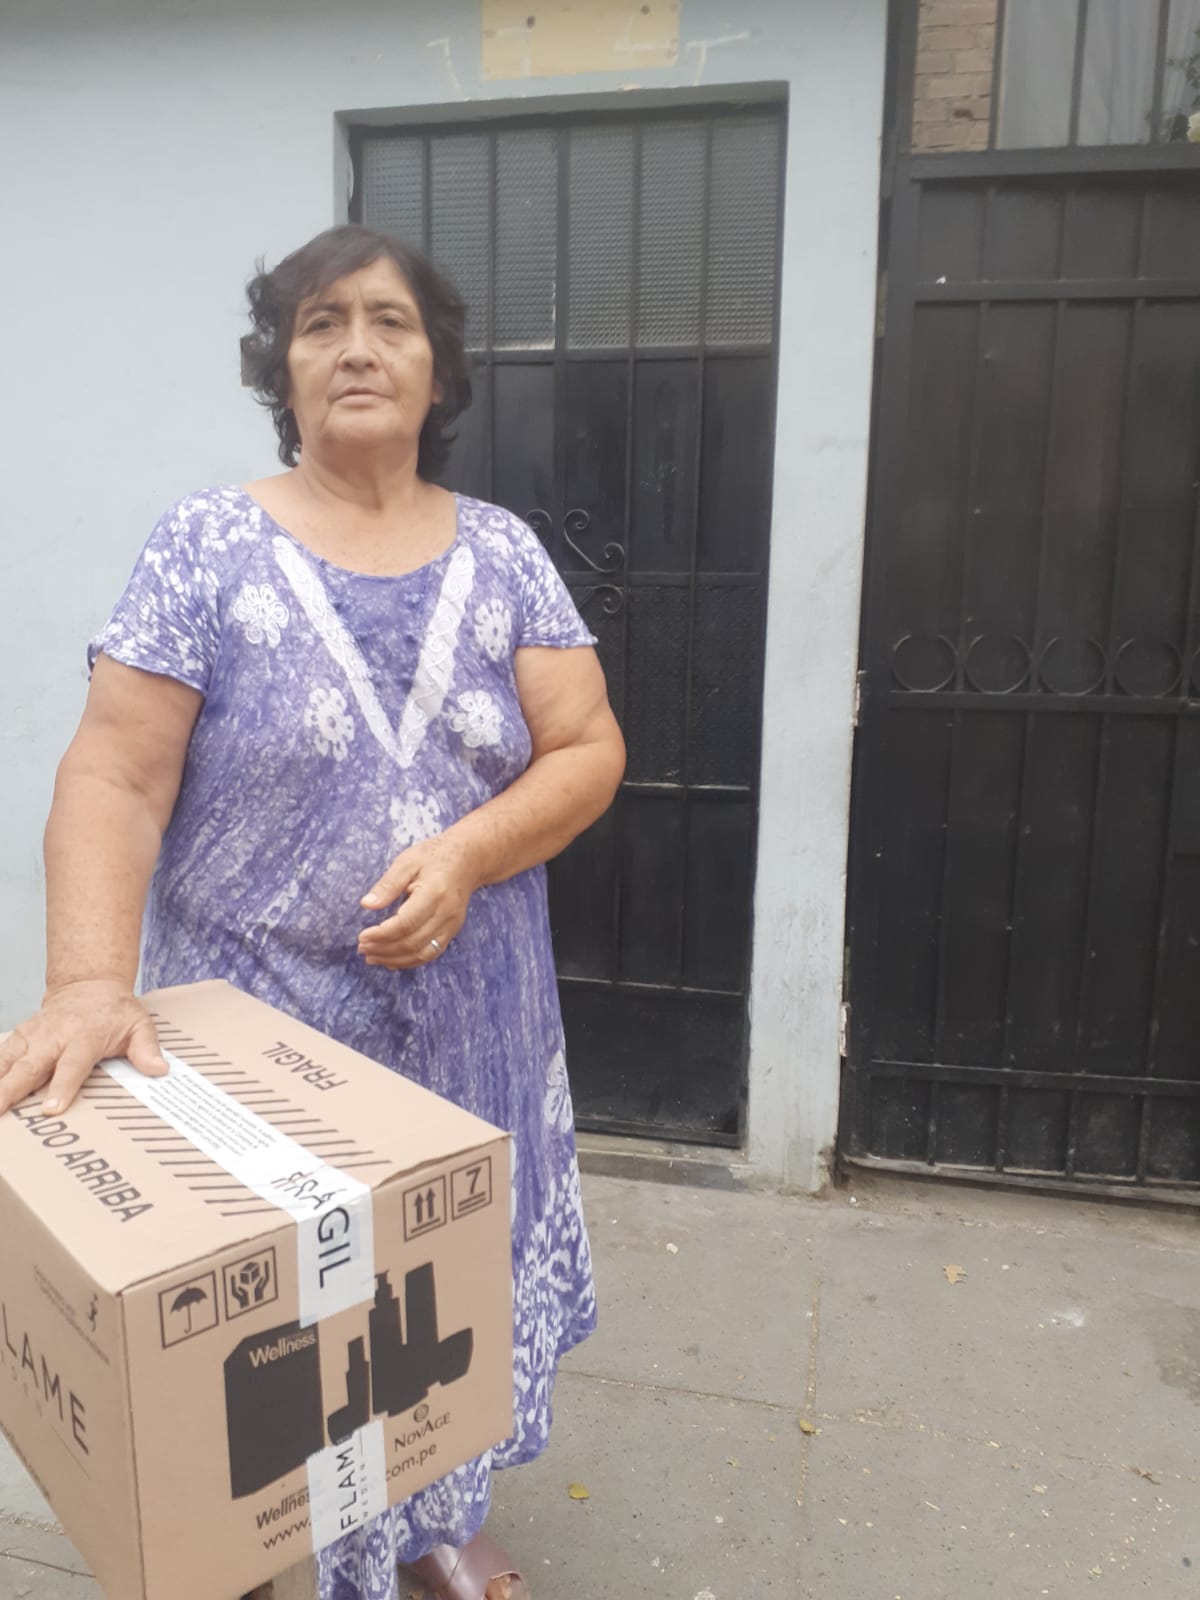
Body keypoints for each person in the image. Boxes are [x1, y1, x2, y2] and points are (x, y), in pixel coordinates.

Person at [0, 225, 626, 1600]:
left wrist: (470, 852)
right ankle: (269, 1552)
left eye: (391, 323)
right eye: (321, 324)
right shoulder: (206, 546)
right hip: (264, 1050)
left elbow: (587, 749)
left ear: (438, 370)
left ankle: (429, 1521)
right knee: (281, 1323)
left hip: (472, 1030)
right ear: (280, 370)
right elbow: (113, 775)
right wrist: (89, 983)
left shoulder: (507, 554)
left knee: (436, 1296)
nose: (356, 348)